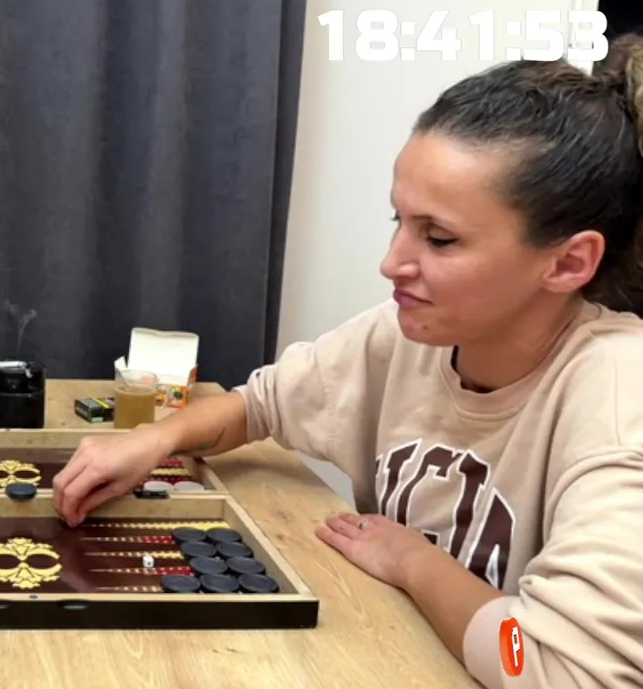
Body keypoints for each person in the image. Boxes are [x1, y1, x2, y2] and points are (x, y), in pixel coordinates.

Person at [55, 37, 643, 687]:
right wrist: (155, 440)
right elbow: (261, 404)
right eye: (399, 221)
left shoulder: (620, 394)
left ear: (568, 262)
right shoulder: (407, 332)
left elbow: (553, 668)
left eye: (439, 238)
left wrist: (412, 561)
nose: (392, 264)